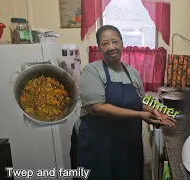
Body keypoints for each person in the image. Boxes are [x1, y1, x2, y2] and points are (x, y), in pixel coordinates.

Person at [70, 25, 176, 180]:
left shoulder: (132, 72)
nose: (111, 47)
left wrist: (154, 110)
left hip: (127, 144)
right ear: (99, 48)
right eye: (105, 43)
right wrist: (140, 114)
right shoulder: (92, 71)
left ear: (122, 43)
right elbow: (97, 108)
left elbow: (139, 101)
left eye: (115, 41)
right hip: (98, 143)